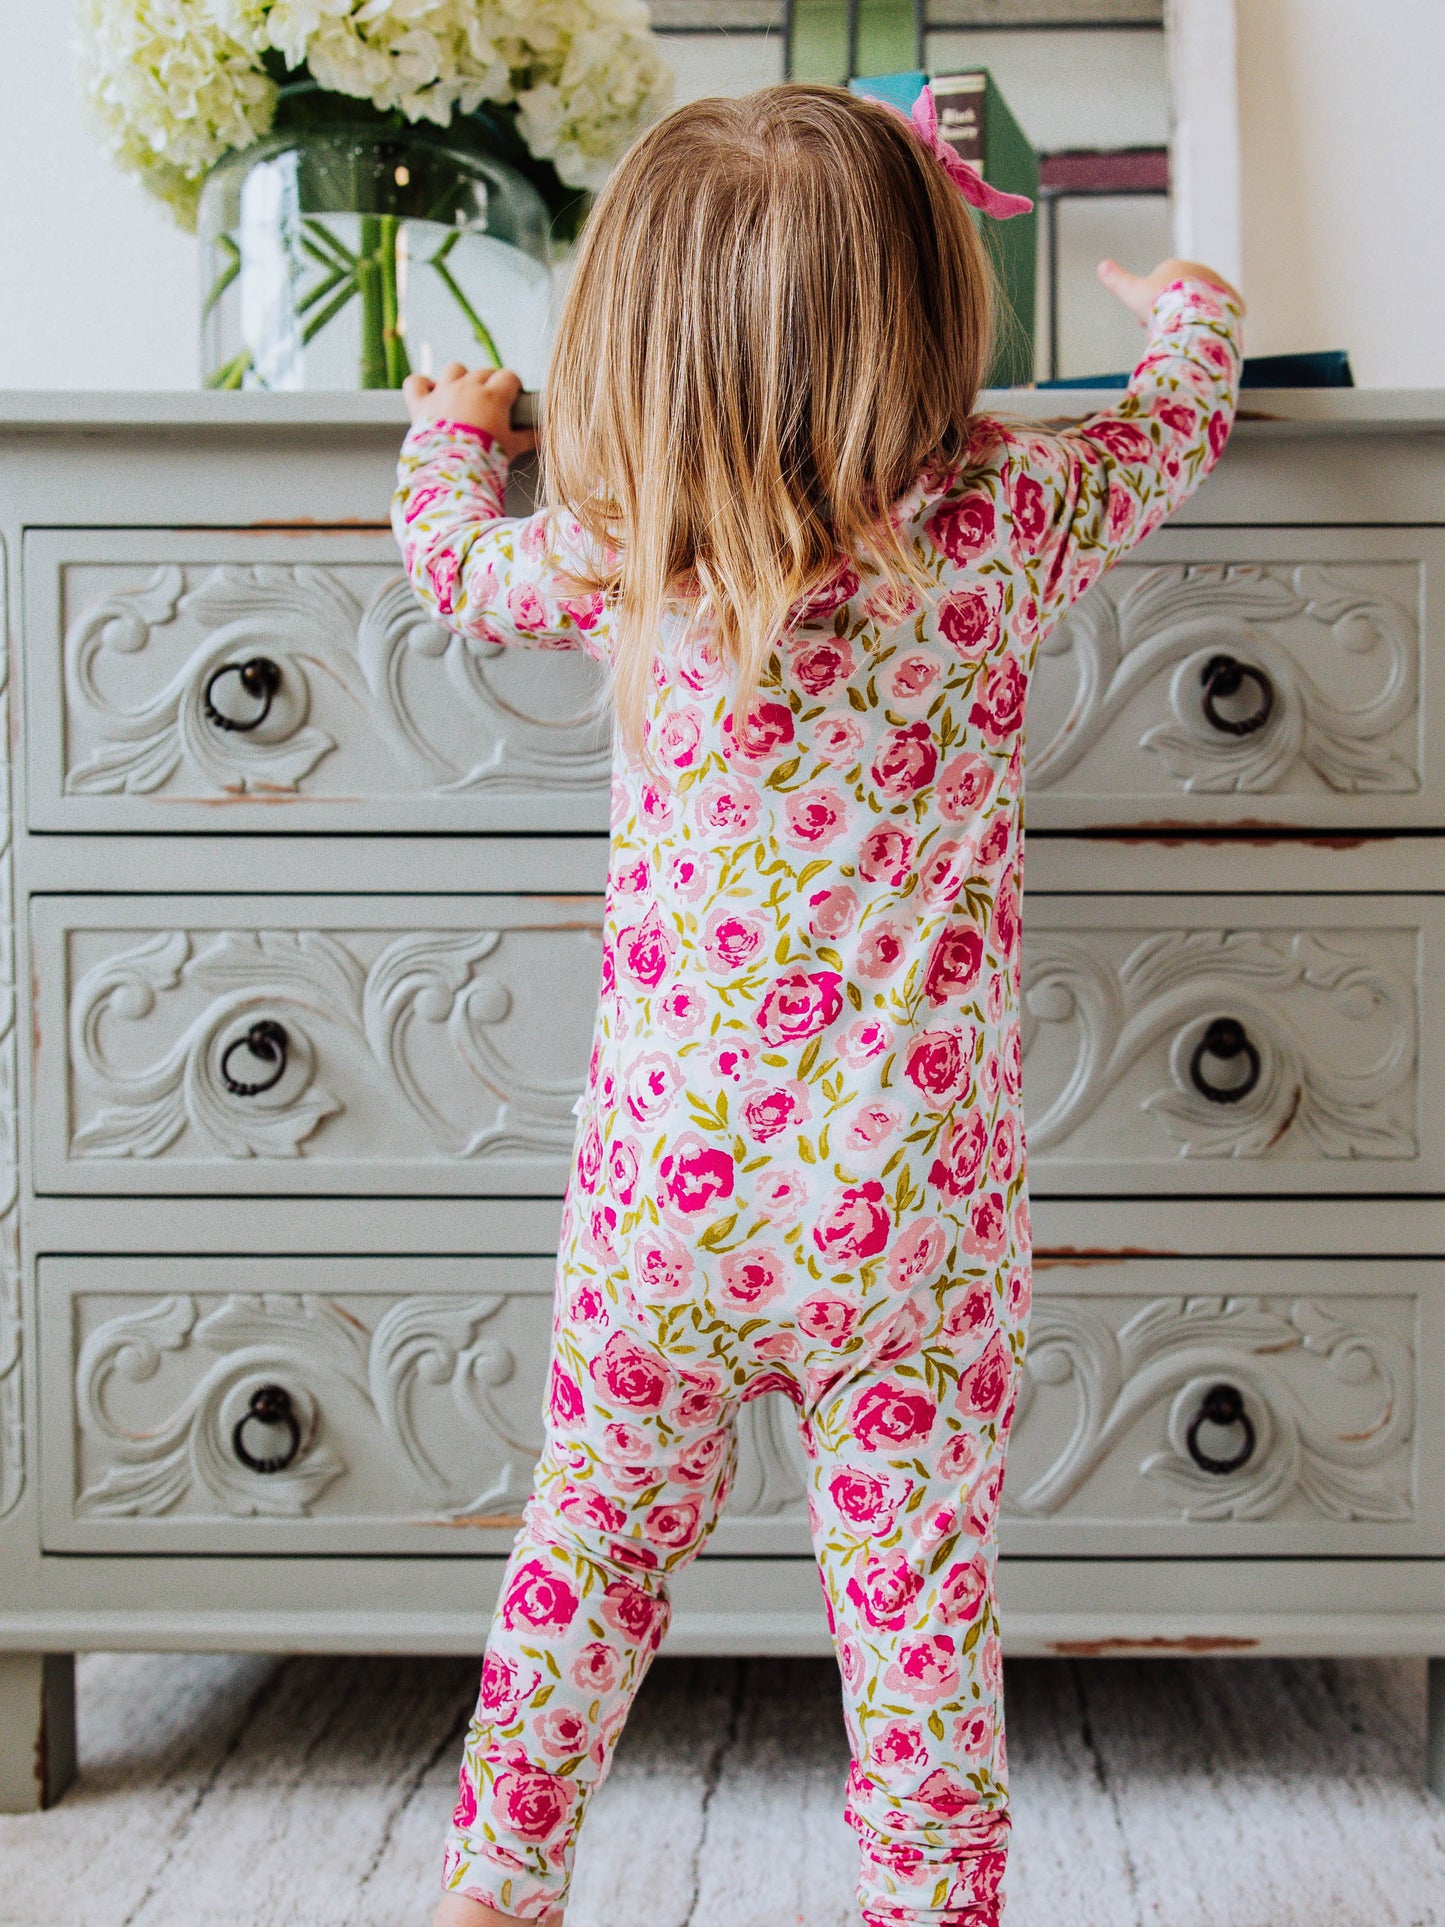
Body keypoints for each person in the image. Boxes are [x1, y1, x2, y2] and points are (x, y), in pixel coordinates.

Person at [392, 80, 1242, 1927]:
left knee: (589, 1554)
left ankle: (493, 1890)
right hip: (908, 1219)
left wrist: (452, 438)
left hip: (663, 1209)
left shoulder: (620, 539)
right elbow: (1177, 427)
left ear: (630, 329)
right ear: (933, 310)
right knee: (918, 1606)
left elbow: (450, 566)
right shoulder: (1009, 513)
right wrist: (1191, 305)